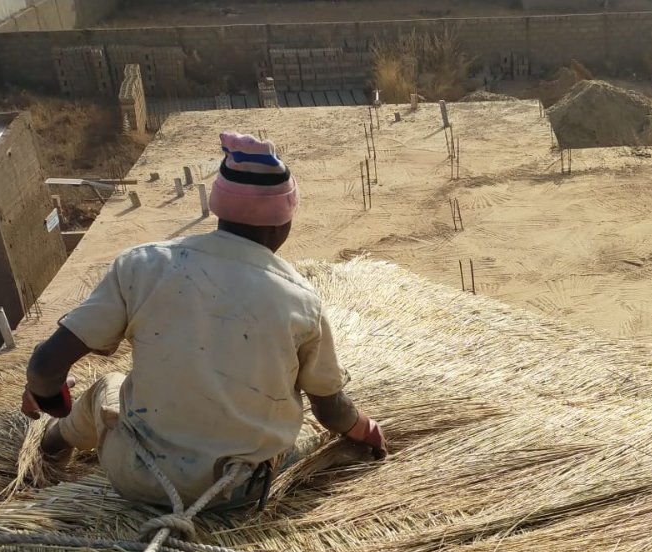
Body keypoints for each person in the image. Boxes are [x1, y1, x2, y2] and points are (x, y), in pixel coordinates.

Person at [21, 131, 387, 510]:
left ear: (218, 209)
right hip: (237, 489)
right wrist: (366, 429)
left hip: (135, 475)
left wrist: (53, 400)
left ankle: (51, 443)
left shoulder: (142, 266)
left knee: (107, 386)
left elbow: (44, 367)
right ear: (283, 223)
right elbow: (331, 410)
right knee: (302, 431)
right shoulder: (301, 300)